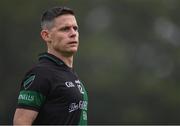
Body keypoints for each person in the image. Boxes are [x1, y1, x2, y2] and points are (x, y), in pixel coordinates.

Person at [13, 6, 88, 125]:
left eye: (75, 28)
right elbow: (21, 121)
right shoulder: (40, 74)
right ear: (46, 35)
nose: (73, 33)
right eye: (65, 29)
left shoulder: (70, 74)